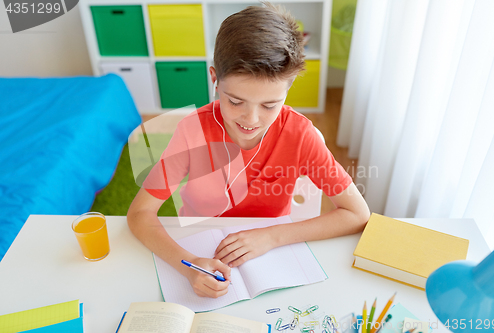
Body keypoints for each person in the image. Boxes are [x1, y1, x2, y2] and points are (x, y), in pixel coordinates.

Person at [127, 2, 370, 299]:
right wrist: (188, 265)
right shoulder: (192, 132)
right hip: (197, 244)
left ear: (287, 91)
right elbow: (140, 214)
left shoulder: (300, 136)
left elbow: (357, 213)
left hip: (270, 255)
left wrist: (271, 236)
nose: (251, 120)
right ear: (214, 79)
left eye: (269, 105)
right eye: (235, 101)